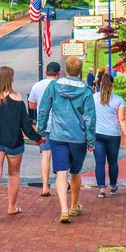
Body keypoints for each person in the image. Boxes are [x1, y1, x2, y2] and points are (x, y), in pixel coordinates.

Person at [0, 66, 44, 223]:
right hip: (13, 142)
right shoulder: (17, 98)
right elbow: (25, 125)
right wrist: (38, 139)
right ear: (10, 79)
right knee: (13, 174)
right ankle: (11, 207)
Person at [37, 56, 95, 224]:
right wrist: (91, 140)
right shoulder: (86, 91)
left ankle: (63, 209)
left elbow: (43, 109)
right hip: (78, 137)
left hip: (57, 135)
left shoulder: (54, 86)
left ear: (65, 70)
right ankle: (73, 206)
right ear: (81, 70)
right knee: (75, 172)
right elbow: (90, 118)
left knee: (61, 171)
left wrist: (41, 130)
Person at [93, 73, 126, 198]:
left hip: (97, 134)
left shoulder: (93, 98)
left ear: (99, 85)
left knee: (99, 163)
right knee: (113, 162)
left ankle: (102, 189)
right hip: (113, 135)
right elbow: (122, 119)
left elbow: (88, 116)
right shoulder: (118, 100)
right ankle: (113, 186)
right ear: (112, 85)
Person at [28, 61, 62, 197]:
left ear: (46, 72)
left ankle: (44, 186)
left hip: (44, 125)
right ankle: (62, 182)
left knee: (45, 155)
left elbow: (31, 105)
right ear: (58, 73)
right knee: (61, 154)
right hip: (60, 124)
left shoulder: (37, 86)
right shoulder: (61, 85)